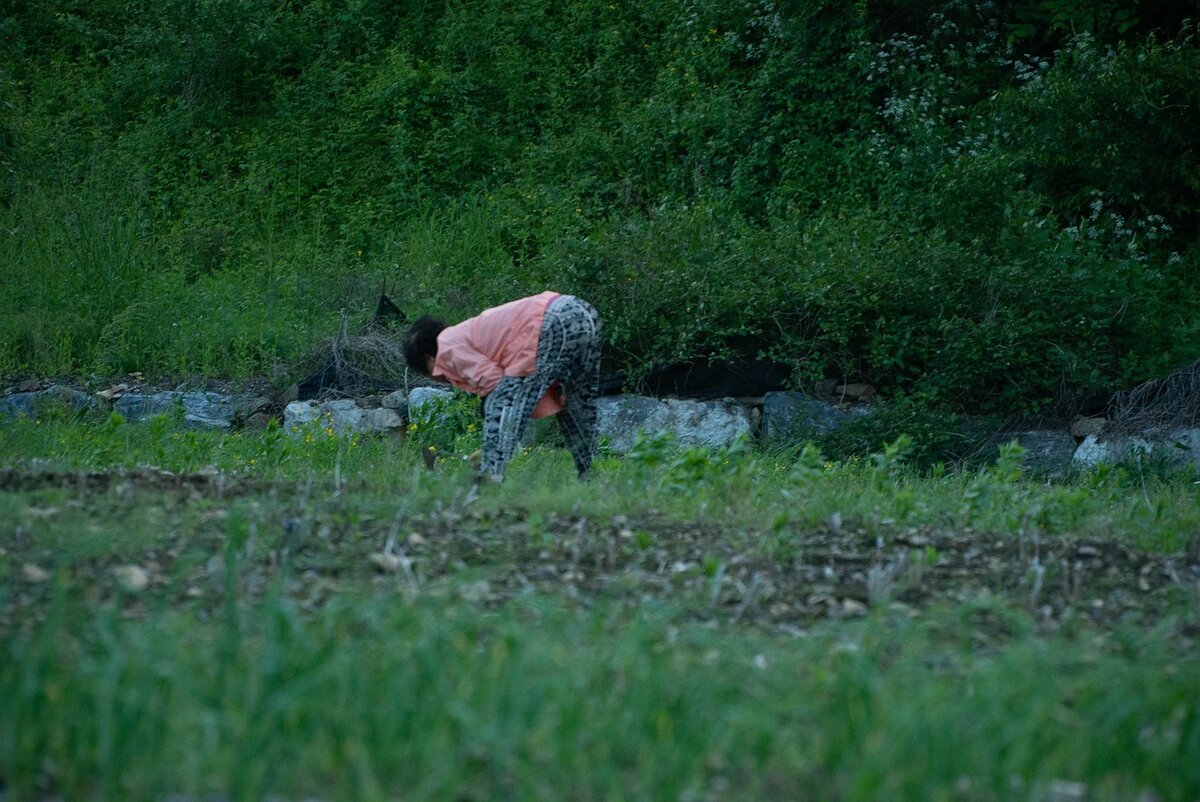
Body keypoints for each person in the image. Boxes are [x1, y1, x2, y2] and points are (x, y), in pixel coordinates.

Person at [404, 291, 602, 480]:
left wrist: (490, 449)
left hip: (550, 320)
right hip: (583, 314)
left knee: (500, 402)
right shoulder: (467, 332)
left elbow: (498, 389)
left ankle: (489, 479)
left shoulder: (447, 344)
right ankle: (593, 480)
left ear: (429, 359)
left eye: (426, 371)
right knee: (578, 406)